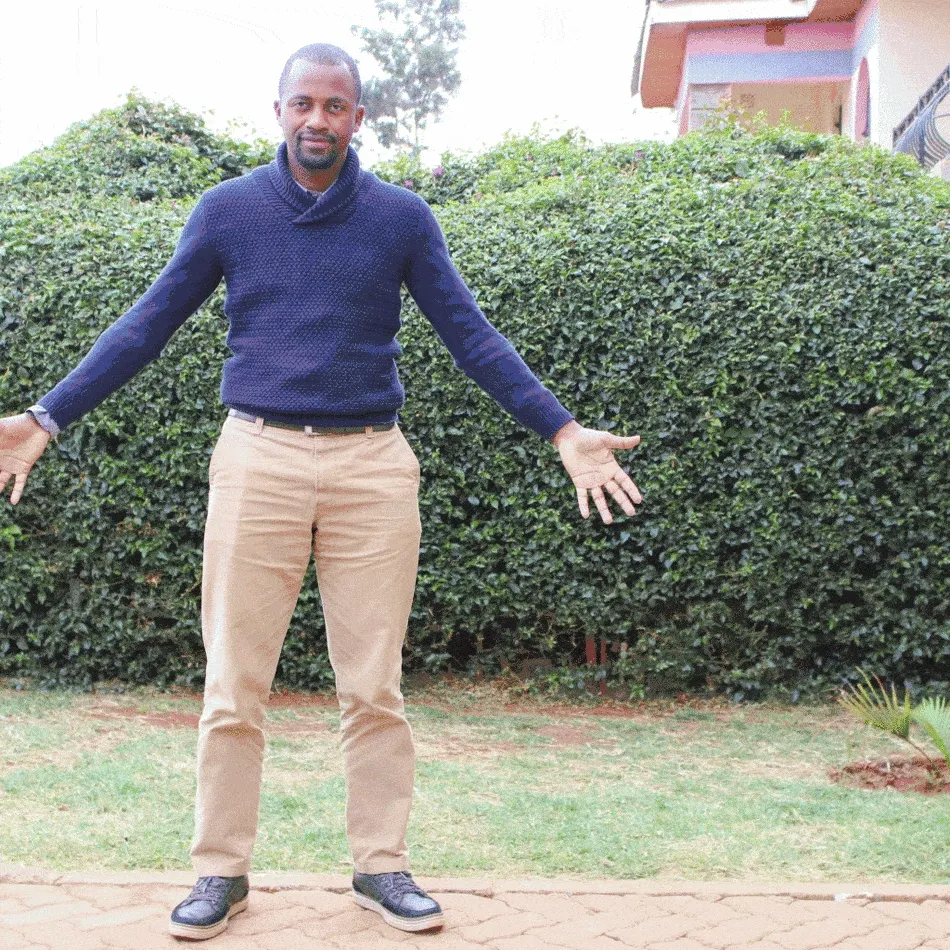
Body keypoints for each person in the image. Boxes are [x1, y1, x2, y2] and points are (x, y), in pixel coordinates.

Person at [0, 43, 642, 941]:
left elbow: (470, 333)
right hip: (256, 459)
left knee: (374, 686)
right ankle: (220, 871)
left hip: (373, 467)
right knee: (233, 684)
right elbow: (146, 323)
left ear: (358, 120)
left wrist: (564, 431)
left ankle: (381, 868)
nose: (318, 121)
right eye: (303, 104)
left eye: (335, 107)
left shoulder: (402, 220)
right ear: (278, 112)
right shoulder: (227, 213)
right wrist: (46, 417)